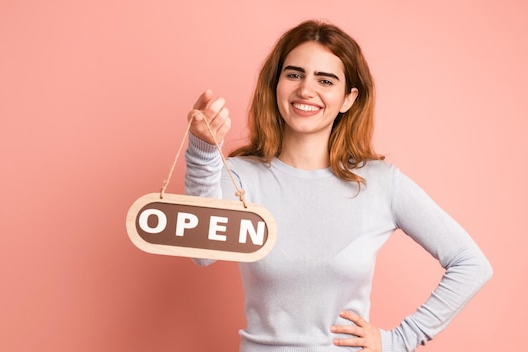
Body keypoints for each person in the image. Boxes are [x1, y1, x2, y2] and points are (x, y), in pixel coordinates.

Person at [184, 19, 492, 352]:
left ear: (348, 98)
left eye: (325, 80)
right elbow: (203, 254)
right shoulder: (242, 176)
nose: (305, 90)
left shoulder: (379, 183)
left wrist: (399, 340)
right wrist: (203, 150)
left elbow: (471, 263)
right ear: (276, 85)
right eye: (294, 74)